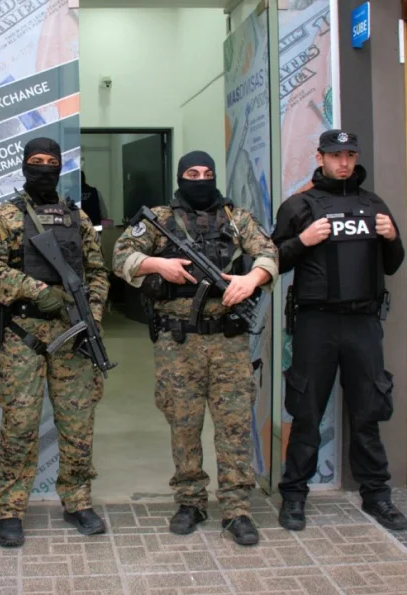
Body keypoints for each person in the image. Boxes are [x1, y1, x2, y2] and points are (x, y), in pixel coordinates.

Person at [112, 150, 278, 545]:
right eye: (192, 173)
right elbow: (120, 257)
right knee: (183, 424)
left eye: (207, 173)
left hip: (228, 341)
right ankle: (190, 501)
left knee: (234, 426)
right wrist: (158, 265)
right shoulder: (160, 218)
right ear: (180, 177)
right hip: (178, 343)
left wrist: (252, 279)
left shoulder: (237, 219)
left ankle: (236, 508)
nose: (201, 179)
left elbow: (269, 253)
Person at [272, 130, 407, 532]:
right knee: (306, 413)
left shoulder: (373, 204)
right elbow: (271, 261)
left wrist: (392, 238)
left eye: (349, 155)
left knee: (368, 412)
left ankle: (377, 496)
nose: (343, 162)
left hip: (363, 322)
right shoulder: (299, 205)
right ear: (320, 158)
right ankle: (294, 496)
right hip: (317, 323)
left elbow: (392, 264)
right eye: (335, 155)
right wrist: (302, 240)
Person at [0, 137, 110, 547]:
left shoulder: (78, 217)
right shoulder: (5, 216)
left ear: (60, 167)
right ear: (24, 165)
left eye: (51, 162)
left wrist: (92, 316)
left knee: (77, 423)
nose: (43, 168)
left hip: (74, 335)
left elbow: (97, 272)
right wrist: (35, 290)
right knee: (19, 424)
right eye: (36, 161)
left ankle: (77, 500)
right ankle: (11, 508)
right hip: (25, 335)